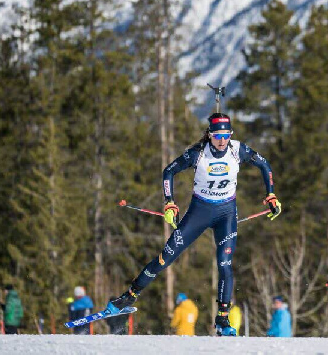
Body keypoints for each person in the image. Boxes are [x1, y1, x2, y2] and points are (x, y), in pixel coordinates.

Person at [107, 113, 282, 336]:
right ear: (209, 134)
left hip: (226, 213)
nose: (222, 140)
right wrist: (169, 202)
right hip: (200, 212)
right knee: (165, 258)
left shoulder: (239, 150)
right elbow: (169, 171)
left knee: (225, 264)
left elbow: (264, 165)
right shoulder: (197, 154)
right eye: (217, 135)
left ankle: (222, 319)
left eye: (226, 135)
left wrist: (271, 195)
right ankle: (128, 296)